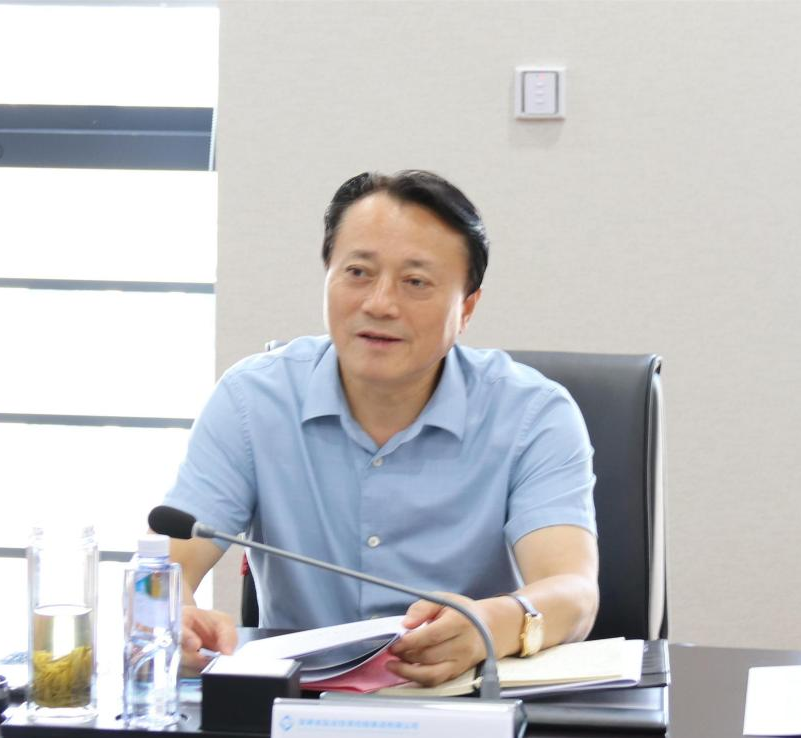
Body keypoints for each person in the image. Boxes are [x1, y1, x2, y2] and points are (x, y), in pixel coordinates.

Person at [163, 169, 598, 688]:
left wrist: (493, 623)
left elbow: (573, 593)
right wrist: (172, 617)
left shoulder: (533, 415)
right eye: (358, 272)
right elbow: (163, 567)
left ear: (466, 307)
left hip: (466, 704)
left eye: (415, 282)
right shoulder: (252, 400)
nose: (379, 304)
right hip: (297, 708)